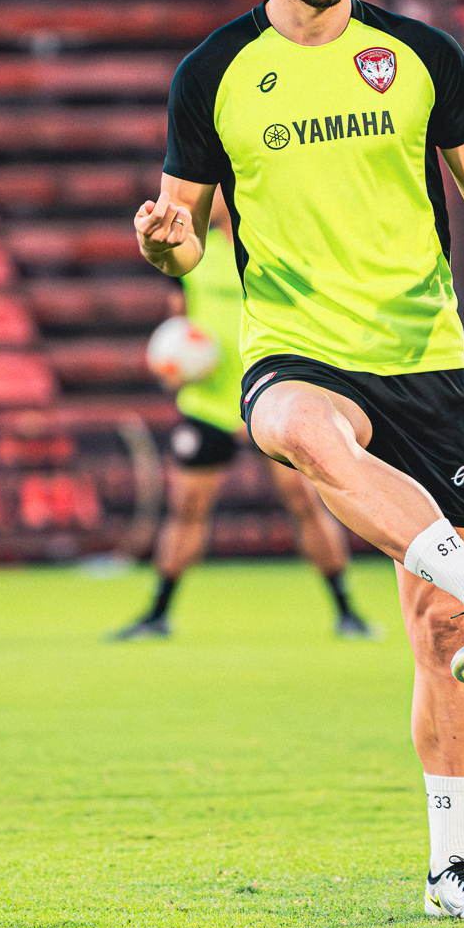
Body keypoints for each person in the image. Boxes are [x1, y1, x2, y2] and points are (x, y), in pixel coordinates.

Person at [131, 0, 464, 923]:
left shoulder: (419, 56)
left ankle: (451, 867)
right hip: (294, 344)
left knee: (437, 634)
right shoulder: (212, 74)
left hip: (422, 353)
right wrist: (161, 242)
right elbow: (183, 243)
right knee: (301, 430)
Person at [113, 188, 377, 641]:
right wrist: (172, 365)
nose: (201, 198)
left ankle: (346, 610)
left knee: (305, 503)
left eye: (212, 190)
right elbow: (179, 324)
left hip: (274, 398)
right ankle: (157, 613)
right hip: (211, 405)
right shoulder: (192, 257)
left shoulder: (279, 253)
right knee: (187, 509)